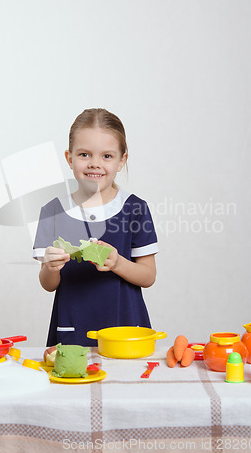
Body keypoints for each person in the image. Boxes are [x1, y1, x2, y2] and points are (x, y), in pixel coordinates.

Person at [33, 108, 158, 346]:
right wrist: (51, 267)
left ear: (122, 160)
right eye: (84, 154)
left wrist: (117, 262)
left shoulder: (135, 209)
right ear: (69, 158)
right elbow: (48, 285)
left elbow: (148, 276)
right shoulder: (52, 212)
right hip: (72, 329)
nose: (95, 164)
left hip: (126, 329)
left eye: (107, 156)